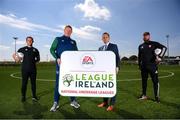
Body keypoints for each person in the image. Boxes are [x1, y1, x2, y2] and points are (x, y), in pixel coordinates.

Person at [50, 25, 80, 112]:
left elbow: (77, 54)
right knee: (58, 84)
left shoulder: (73, 42)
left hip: (71, 67)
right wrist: (57, 58)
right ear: (64, 30)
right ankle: (56, 103)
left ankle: (73, 100)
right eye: (67, 30)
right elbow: (52, 49)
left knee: (72, 83)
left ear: (71, 32)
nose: (68, 31)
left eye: (70, 30)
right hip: (61, 66)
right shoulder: (58, 39)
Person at [138, 32, 167, 103]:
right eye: (144, 36)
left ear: (149, 36)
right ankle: (144, 95)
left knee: (155, 82)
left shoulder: (154, 43)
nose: (145, 37)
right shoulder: (140, 46)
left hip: (153, 66)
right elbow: (139, 57)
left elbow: (164, 48)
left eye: (146, 36)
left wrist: (160, 57)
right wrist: (139, 65)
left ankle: (157, 97)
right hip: (144, 67)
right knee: (144, 82)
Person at [12, 36, 40, 102]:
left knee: (33, 83)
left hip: (33, 70)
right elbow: (16, 58)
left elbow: (38, 59)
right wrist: (15, 58)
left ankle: (34, 96)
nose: (29, 41)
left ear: (33, 41)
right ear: (26, 41)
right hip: (25, 69)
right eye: (28, 40)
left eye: (31, 40)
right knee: (24, 83)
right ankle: (23, 96)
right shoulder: (21, 49)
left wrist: (33, 62)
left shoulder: (35, 50)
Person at [97, 32, 120, 111]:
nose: (105, 38)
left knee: (112, 87)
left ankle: (112, 104)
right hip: (103, 71)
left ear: (109, 38)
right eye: (103, 37)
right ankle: (105, 102)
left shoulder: (114, 46)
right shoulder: (100, 48)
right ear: (102, 39)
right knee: (104, 86)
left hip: (111, 70)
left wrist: (117, 67)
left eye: (106, 37)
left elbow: (117, 57)